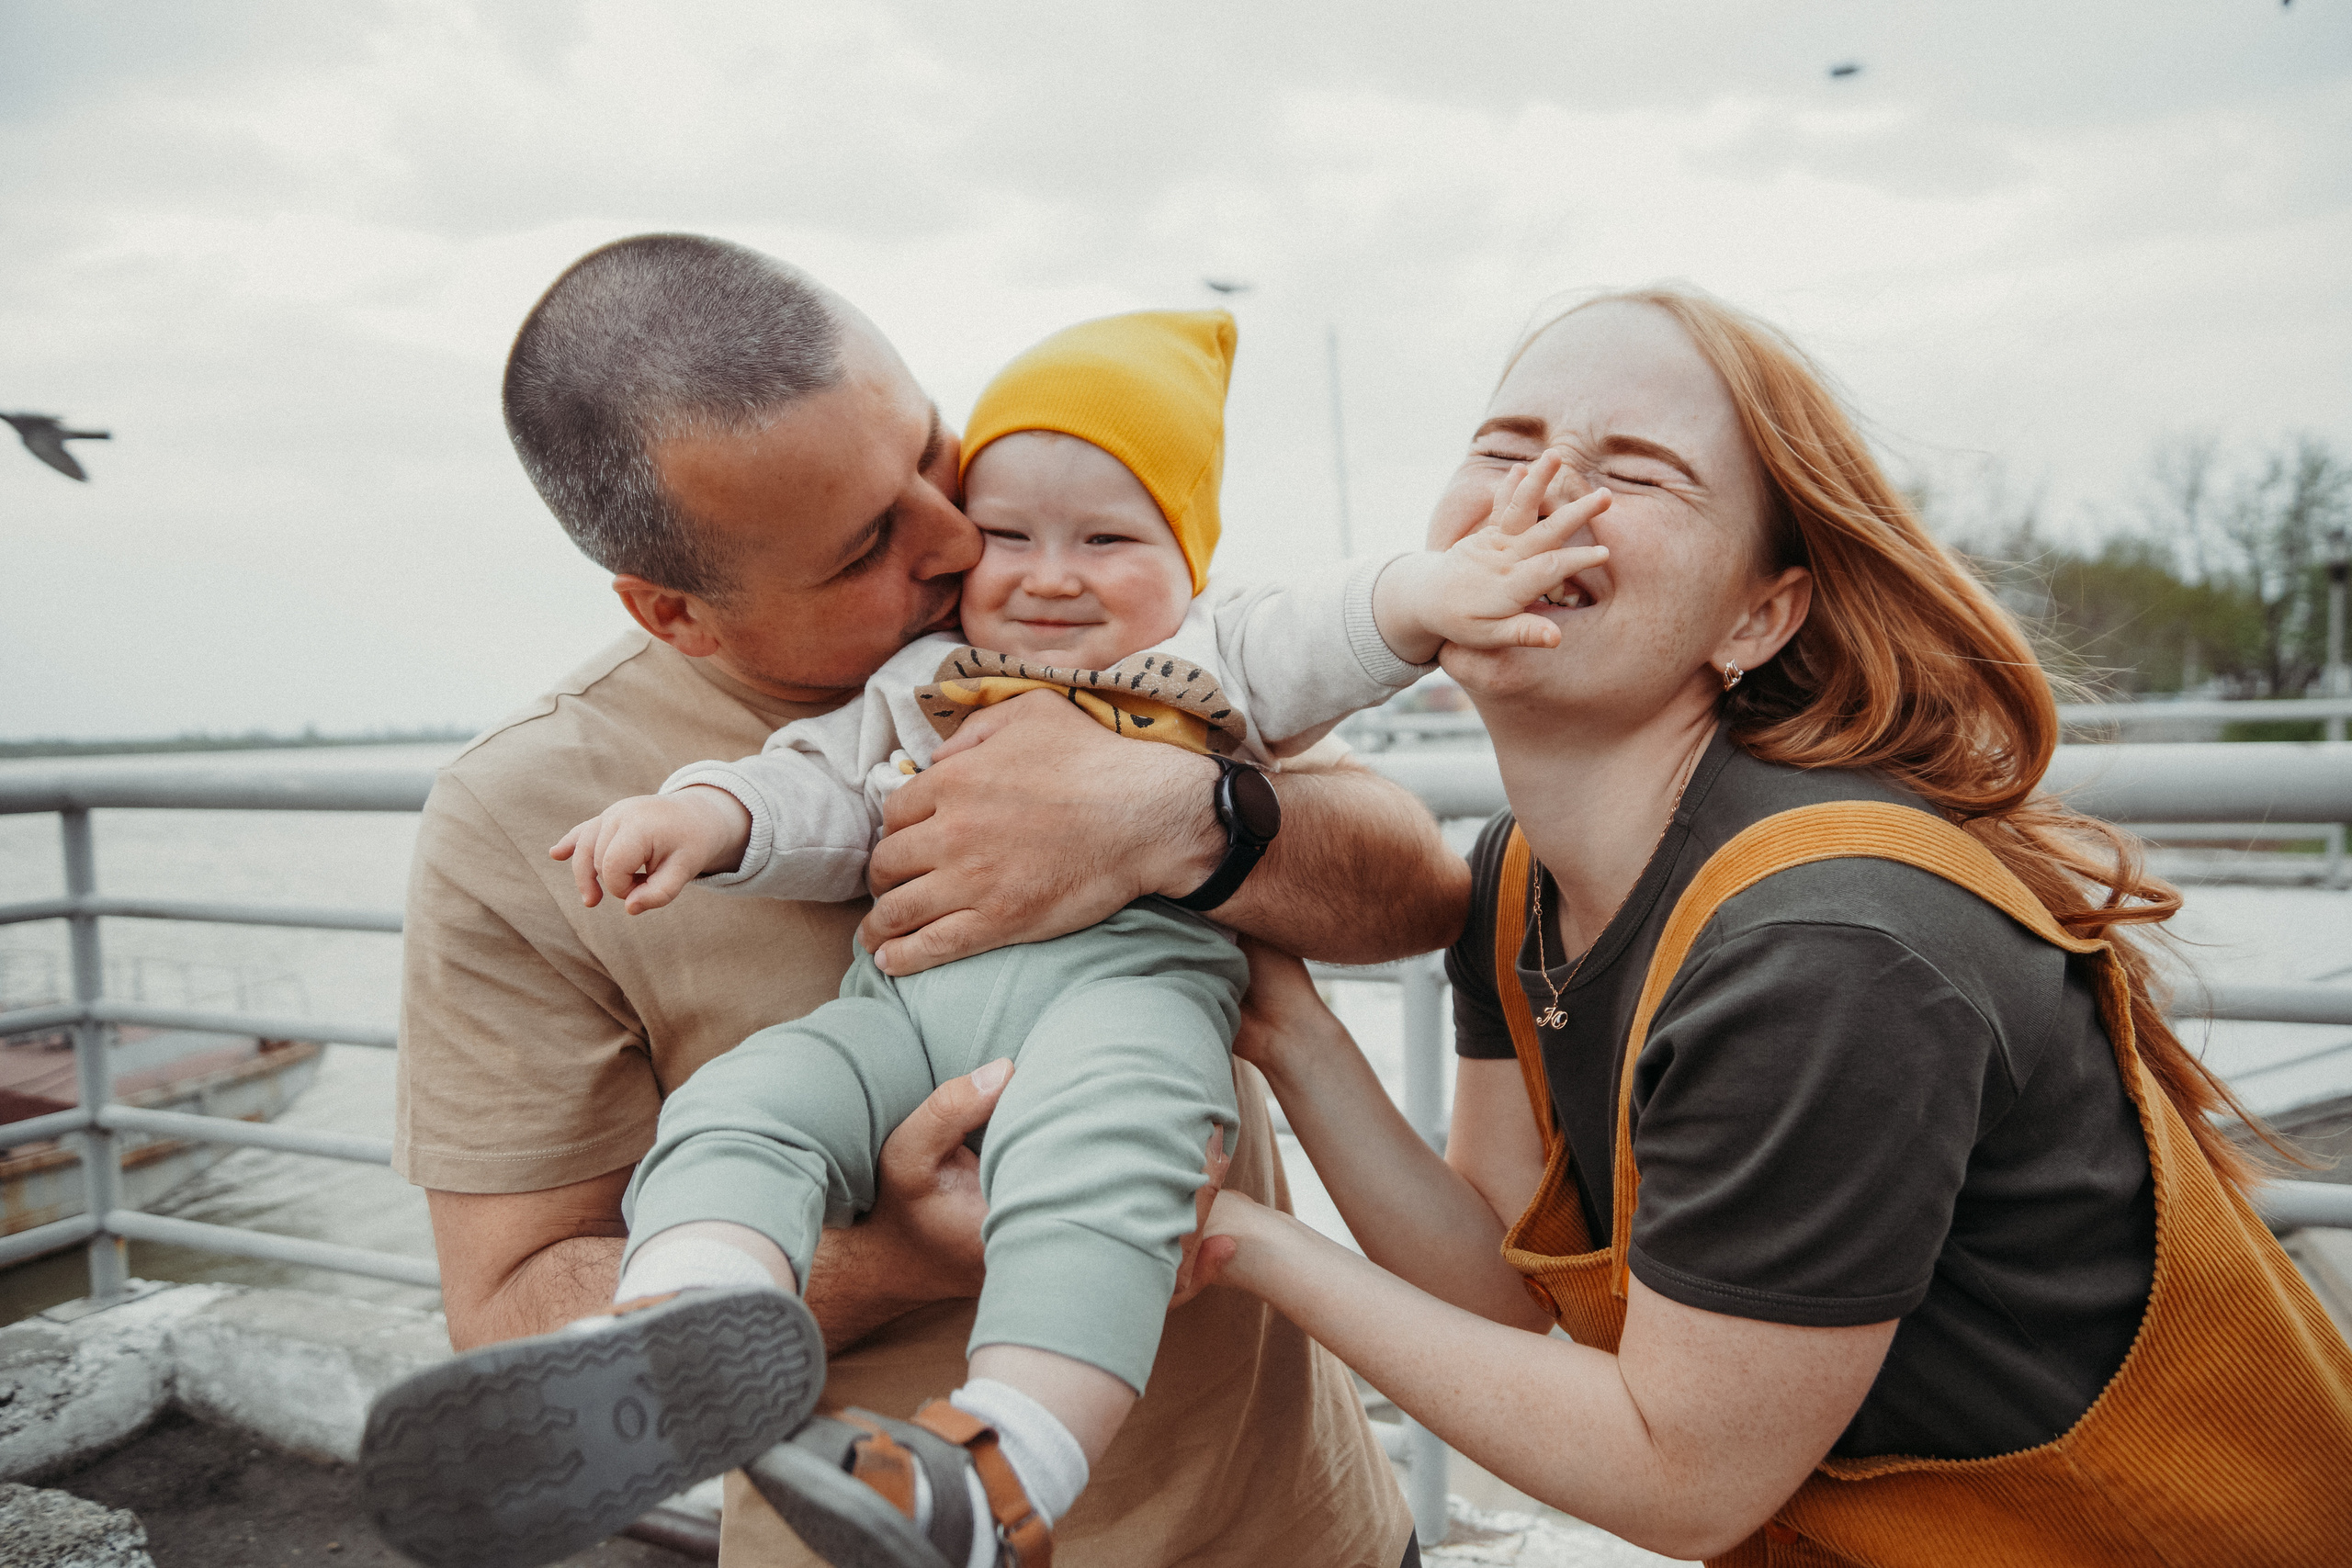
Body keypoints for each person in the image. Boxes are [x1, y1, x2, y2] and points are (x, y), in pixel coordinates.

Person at [373, 304, 1596, 1568]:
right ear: (674, 613)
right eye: (869, 541)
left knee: (1104, 1142)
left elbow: (1411, 857)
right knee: (749, 1104)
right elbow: (508, 1302)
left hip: (1288, 1526)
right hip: (889, 1125)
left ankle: (1009, 1458)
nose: (962, 541)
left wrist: (1181, 817)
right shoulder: (541, 807)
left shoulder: (1176, 655)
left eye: (931, 456)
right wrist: (895, 1256)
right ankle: (689, 1315)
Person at [1189, 288, 2352, 1565]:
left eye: (1636, 470)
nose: (1541, 493)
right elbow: (1497, 1284)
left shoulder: (1828, 950)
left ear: (1759, 617)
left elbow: (1680, 1476)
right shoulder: (1521, 880)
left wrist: (1248, 1242)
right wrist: (1291, 1028)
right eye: (1505, 446)